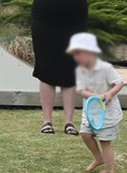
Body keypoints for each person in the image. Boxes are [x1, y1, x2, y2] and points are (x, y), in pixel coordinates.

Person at [68, 32, 125, 173]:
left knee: (105, 141)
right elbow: (82, 91)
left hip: (108, 114)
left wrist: (109, 94)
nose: (76, 57)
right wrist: (94, 96)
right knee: (85, 134)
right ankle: (99, 158)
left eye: (79, 53)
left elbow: (119, 83)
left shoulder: (106, 68)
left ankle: (110, 172)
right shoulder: (80, 70)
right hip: (90, 112)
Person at [31, 0, 88, 135]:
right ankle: (47, 121)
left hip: (75, 17)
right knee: (45, 67)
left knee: (71, 67)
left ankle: (69, 122)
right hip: (45, 16)